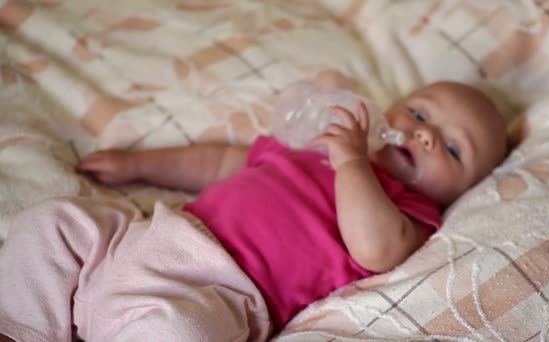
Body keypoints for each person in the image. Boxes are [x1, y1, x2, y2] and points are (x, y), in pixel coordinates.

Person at [0, 81, 507, 342]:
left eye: (453, 149)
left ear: (461, 191)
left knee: (180, 334)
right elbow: (219, 161)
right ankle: (22, 326)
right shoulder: (308, 147)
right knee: (57, 222)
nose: (423, 133)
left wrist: (352, 161)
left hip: (214, 291)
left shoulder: (408, 210)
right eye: (419, 114)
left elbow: (374, 249)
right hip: (150, 236)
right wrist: (138, 164)